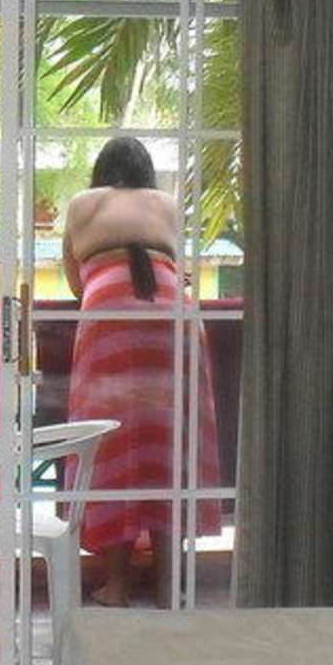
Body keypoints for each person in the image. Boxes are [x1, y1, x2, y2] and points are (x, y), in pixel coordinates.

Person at [62, 136, 224, 606]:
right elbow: (174, 262)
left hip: (109, 317)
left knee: (110, 441)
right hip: (172, 317)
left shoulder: (83, 204)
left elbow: (74, 282)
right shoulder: (165, 204)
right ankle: (169, 584)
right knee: (170, 443)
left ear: (101, 172)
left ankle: (117, 584)